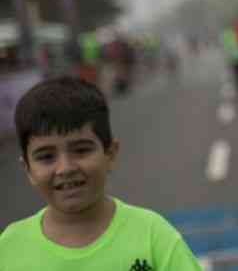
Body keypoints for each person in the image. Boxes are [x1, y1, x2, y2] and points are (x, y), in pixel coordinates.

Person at [0, 76, 203, 270]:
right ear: (28, 169)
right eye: (46, 157)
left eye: (81, 150)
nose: (65, 168)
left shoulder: (153, 235)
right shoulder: (8, 249)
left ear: (110, 154)